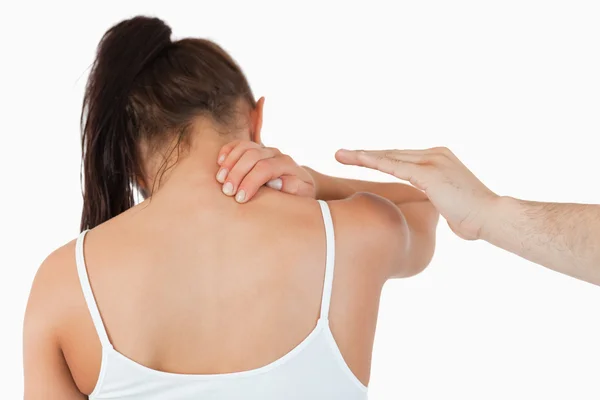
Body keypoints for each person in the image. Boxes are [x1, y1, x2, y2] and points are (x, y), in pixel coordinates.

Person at [23, 16, 438, 399]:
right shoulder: (352, 234)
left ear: (131, 163)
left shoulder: (64, 282)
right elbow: (428, 199)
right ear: (256, 120)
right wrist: (316, 182)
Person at [231, 145, 599, 286]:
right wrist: (318, 182)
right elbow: (416, 204)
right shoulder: (358, 229)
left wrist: (487, 213)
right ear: (256, 118)